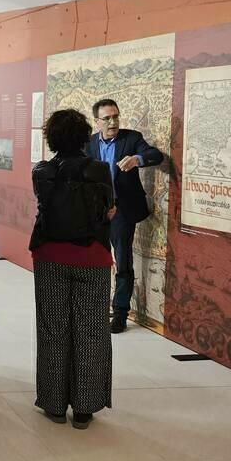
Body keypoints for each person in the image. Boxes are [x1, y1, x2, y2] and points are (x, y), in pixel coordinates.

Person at [30, 108, 115, 428]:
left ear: (51, 138)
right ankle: (84, 408)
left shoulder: (41, 171)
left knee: (53, 328)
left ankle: (53, 404)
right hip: (92, 256)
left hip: (50, 255)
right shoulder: (100, 169)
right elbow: (108, 211)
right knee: (92, 330)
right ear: (83, 137)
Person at [87, 98, 164, 333]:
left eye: (116, 117)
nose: (113, 122)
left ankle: (120, 312)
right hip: (97, 211)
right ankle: (96, 308)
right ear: (97, 121)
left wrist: (136, 159)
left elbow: (155, 155)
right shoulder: (89, 144)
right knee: (95, 261)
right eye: (107, 118)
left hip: (122, 211)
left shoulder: (131, 139)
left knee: (122, 262)